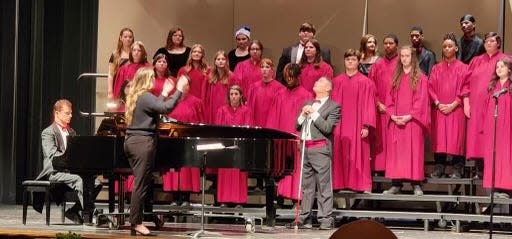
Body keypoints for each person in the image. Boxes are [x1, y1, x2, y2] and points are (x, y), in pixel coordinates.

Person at [124, 67, 188, 236]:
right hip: (142, 143)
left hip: (134, 141)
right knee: (141, 183)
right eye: (152, 78)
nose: (154, 80)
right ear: (146, 80)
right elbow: (165, 109)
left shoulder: (139, 96)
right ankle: (136, 222)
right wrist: (179, 90)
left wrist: (165, 93)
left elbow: (156, 107)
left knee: (142, 182)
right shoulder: (145, 96)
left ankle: (135, 221)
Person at [35, 99, 101, 225]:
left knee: (96, 183)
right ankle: (92, 214)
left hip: (70, 171)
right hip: (55, 172)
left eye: (71, 113)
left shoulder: (72, 132)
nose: (71, 115)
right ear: (57, 113)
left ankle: (74, 211)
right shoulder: (48, 132)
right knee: (79, 180)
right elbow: (52, 155)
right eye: (67, 113)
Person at [288, 76, 340, 230]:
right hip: (305, 148)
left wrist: (314, 114)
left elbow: (327, 128)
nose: (315, 83)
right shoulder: (308, 103)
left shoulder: (333, 106)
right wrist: (303, 114)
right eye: (315, 81)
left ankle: (325, 218)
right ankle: (304, 218)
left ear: (328, 88)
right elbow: (297, 126)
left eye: (319, 82)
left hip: (320, 149)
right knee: (307, 186)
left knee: (323, 185)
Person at [383, 45, 429, 196]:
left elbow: (421, 100)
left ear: (413, 58)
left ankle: (416, 184)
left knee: (414, 152)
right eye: (402, 56)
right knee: (397, 153)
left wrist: (410, 116)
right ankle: (396, 184)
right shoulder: (395, 78)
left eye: (407, 56)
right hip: (397, 121)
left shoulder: (421, 78)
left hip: (413, 122)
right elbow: (388, 99)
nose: (404, 58)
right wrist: (392, 115)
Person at [331, 49, 376, 192]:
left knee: (359, 154)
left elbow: (369, 104)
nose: (350, 62)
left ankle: (361, 184)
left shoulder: (366, 82)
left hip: (358, 125)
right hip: (339, 125)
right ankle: (338, 183)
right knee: (339, 152)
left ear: (359, 62)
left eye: (353, 59)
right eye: (347, 59)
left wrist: (366, 126)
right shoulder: (336, 82)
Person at [267, 63, 313, 201]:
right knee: (283, 166)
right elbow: (273, 117)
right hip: (283, 137)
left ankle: (296, 198)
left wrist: (302, 137)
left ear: (298, 76)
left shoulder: (306, 95)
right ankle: (281, 196)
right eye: (287, 77)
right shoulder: (279, 94)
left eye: (292, 77)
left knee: (297, 168)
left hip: (297, 137)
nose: (289, 80)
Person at [465, 32, 506, 178]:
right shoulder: (476, 61)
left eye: (492, 41)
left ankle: (493, 170)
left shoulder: (505, 60)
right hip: (475, 106)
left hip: (495, 105)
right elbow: (465, 83)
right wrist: (466, 103)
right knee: (477, 136)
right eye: (486, 41)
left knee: (492, 135)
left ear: (498, 44)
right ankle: (479, 169)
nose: (489, 43)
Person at [428, 33, 469, 179]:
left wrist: (454, 104)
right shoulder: (436, 68)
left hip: (456, 109)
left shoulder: (464, 68)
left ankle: (457, 169)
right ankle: (439, 167)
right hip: (439, 109)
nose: (447, 48)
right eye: (444, 46)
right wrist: (438, 103)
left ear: (456, 48)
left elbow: (466, 87)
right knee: (439, 138)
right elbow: (430, 87)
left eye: (450, 46)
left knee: (457, 138)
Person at [160, 75, 203, 206]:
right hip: (172, 139)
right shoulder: (170, 100)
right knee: (173, 168)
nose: (183, 87)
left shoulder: (196, 102)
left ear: (189, 87)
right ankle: (174, 197)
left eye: (186, 85)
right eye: (181, 84)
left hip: (189, 141)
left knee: (187, 170)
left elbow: (200, 121)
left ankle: (186, 197)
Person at [215, 85, 253, 206]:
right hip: (225, 147)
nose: (233, 96)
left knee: (239, 174)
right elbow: (218, 129)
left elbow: (248, 128)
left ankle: (239, 201)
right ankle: (224, 200)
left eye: (236, 94)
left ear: (241, 95)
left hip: (240, 147)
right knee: (225, 173)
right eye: (231, 94)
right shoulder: (222, 110)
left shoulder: (247, 110)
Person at [368, 34, 399, 173]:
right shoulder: (377, 65)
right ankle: (379, 169)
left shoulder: (402, 63)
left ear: (396, 45)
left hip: (397, 109)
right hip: (380, 109)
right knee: (379, 140)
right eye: (385, 43)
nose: (387, 46)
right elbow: (371, 86)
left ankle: (395, 169)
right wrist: (377, 103)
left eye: (391, 43)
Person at [483, 58, 512, 198]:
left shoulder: (510, 87)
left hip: (508, 128)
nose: (499, 69)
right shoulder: (492, 87)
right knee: (493, 154)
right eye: (497, 67)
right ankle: (493, 189)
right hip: (493, 127)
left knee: (506, 155)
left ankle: (506, 189)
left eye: (502, 66)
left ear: (509, 69)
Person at [203, 50, 238, 124]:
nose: (220, 61)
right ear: (215, 62)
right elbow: (204, 95)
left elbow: (235, 95)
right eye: (218, 59)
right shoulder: (209, 77)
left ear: (226, 61)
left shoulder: (232, 77)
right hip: (212, 108)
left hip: (226, 108)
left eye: (223, 59)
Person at [108, 28, 134, 100]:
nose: (128, 39)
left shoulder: (136, 53)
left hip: (132, 87)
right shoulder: (115, 54)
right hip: (118, 86)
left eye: (130, 37)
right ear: (120, 38)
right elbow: (110, 74)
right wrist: (110, 91)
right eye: (125, 37)